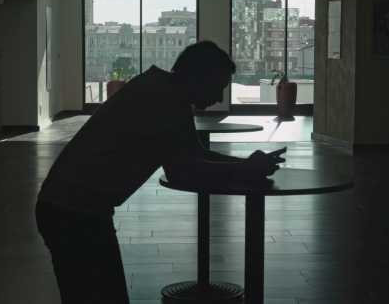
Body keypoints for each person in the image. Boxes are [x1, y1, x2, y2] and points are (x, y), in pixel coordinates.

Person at [35, 40, 286, 303]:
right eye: (218, 88)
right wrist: (246, 169)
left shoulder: (166, 90)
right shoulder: (165, 98)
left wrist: (245, 164)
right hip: (75, 214)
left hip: (68, 209)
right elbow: (183, 171)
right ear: (198, 77)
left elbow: (194, 153)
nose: (220, 98)